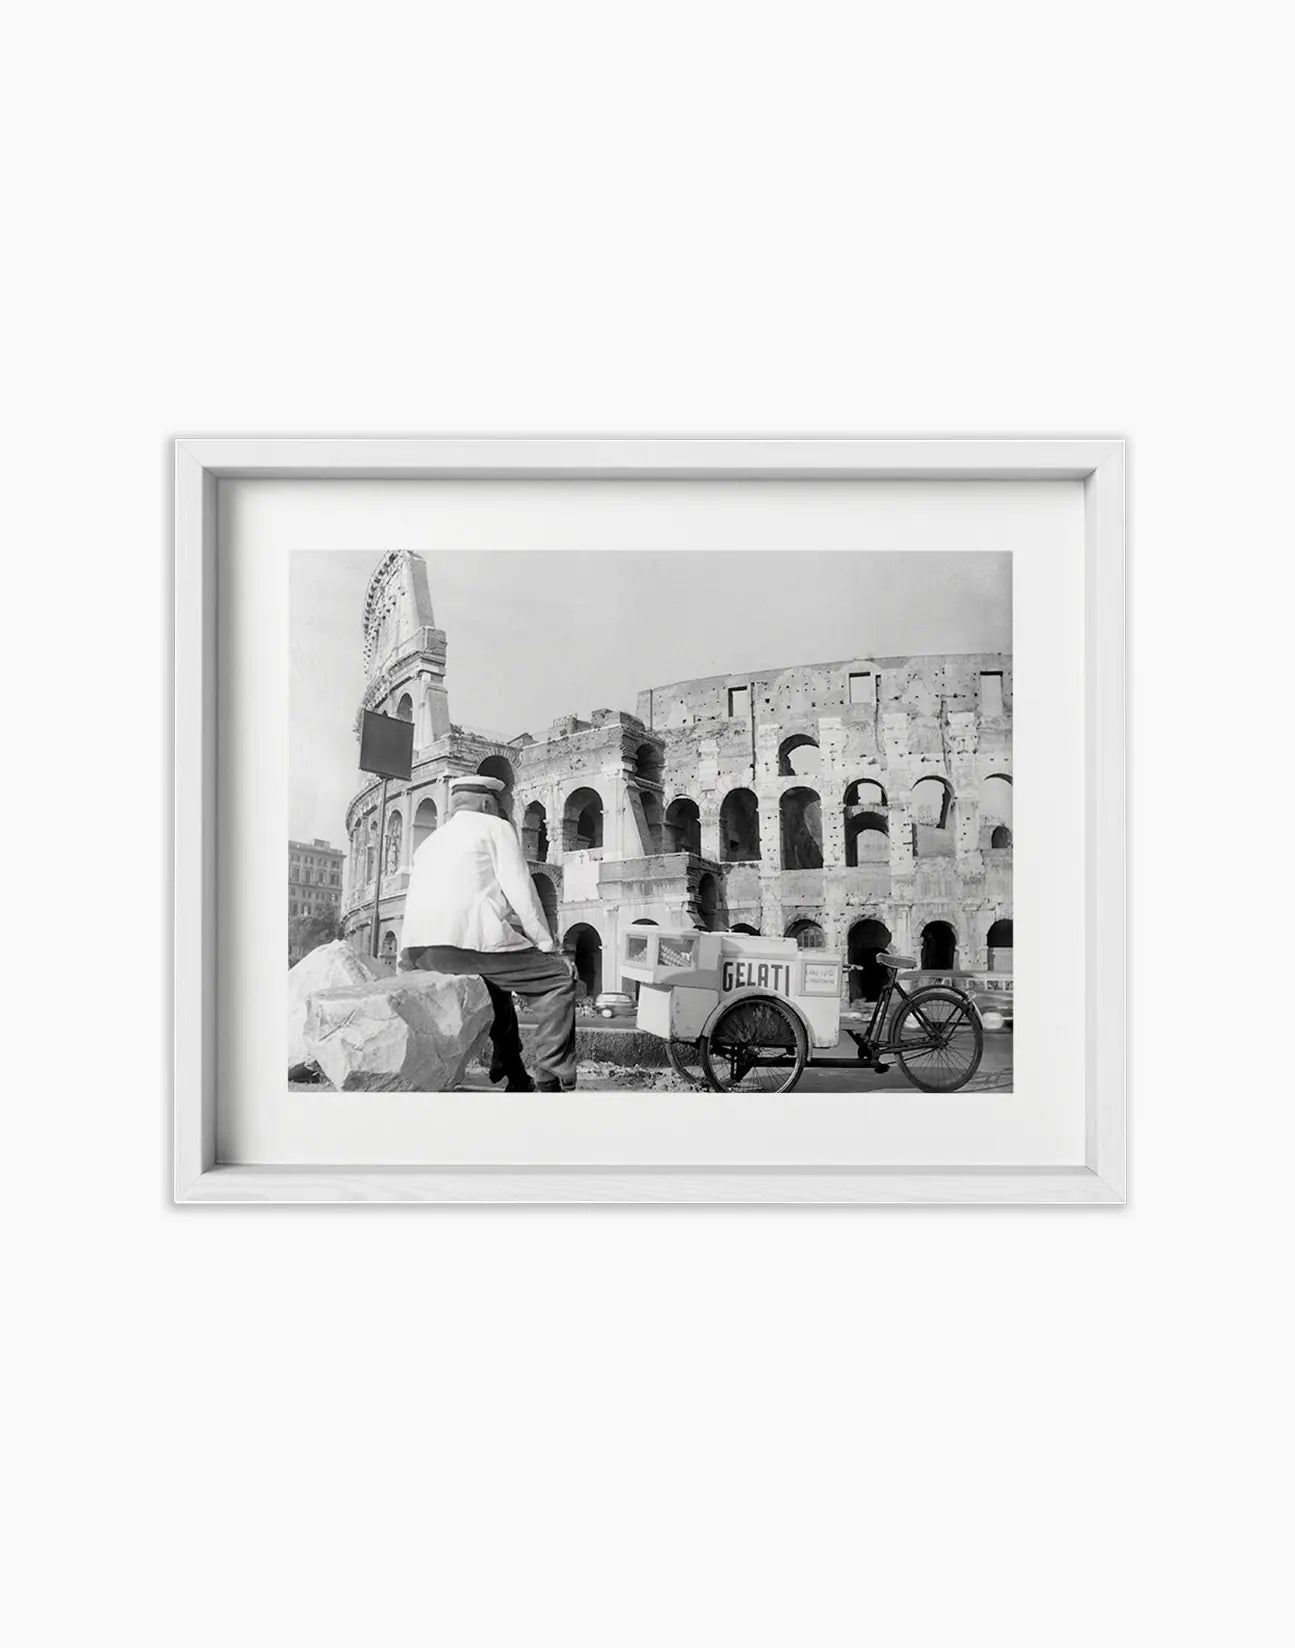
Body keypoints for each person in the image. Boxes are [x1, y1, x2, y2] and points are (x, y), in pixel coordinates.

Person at [398, 775, 576, 1092]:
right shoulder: (495, 828)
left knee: (497, 990)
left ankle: (514, 1072)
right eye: (498, 806)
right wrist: (548, 946)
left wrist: (406, 963)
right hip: (470, 944)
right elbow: (523, 893)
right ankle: (550, 1072)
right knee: (559, 980)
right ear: (485, 803)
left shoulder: (429, 843)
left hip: (422, 951)